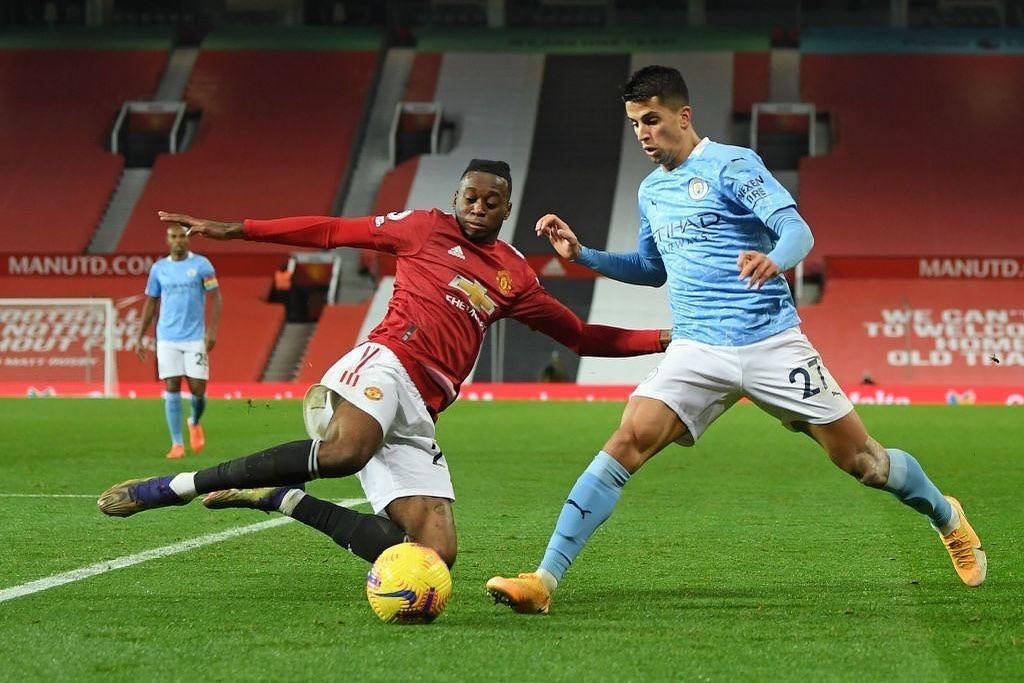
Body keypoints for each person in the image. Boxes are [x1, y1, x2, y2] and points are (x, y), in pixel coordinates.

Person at [486, 66, 986, 614]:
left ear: (683, 115)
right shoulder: (652, 192)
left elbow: (797, 231)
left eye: (652, 120)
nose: (644, 134)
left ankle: (947, 517)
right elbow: (652, 269)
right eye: (634, 125)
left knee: (865, 463)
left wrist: (775, 260)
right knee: (628, 439)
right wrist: (584, 256)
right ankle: (543, 580)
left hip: (771, 342)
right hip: (697, 348)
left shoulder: (732, 165)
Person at [98, 159, 670, 571]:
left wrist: (666, 338)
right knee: (346, 452)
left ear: (507, 208)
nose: (477, 207)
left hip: (424, 408)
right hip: (386, 361)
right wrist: (239, 229)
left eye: (490, 201)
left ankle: (278, 496)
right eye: (469, 197)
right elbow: (332, 231)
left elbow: (581, 337)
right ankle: (176, 486)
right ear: (455, 197)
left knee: (433, 554)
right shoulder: (422, 227)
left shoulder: (515, 275)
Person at [135, 224, 222, 459]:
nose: (178, 240)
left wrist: (212, 331)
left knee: (198, 389)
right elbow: (151, 302)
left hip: (195, 337)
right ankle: (177, 444)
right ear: (167, 240)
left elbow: (216, 298)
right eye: (173, 236)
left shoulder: (202, 265)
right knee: (171, 385)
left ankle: (194, 421)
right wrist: (140, 335)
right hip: (167, 338)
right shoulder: (159, 269)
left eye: (182, 236)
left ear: (188, 239)